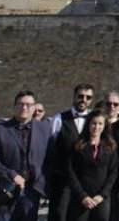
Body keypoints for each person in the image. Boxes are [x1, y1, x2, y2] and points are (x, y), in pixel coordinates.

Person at [0, 90, 54, 221]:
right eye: (20, 104)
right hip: (4, 189)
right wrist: (11, 174)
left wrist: (43, 184)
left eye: (28, 104)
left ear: (34, 108)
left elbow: (51, 159)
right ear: (14, 107)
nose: (24, 108)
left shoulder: (45, 129)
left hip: (31, 192)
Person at [51, 84, 97, 221]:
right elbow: (52, 148)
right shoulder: (59, 119)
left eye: (88, 97)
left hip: (86, 179)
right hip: (63, 178)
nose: (83, 100)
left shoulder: (95, 121)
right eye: (80, 96)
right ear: (74, 97)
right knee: (60, 214)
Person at [65, 110, 119, 221]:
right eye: (93, 123)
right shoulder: (77, 145)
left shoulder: (110, 146)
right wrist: (82, 196)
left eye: (100, 124)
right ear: (88, 124)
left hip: (101, 199)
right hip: (80, 199)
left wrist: (102, 195)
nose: (96, 127)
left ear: (105, 126)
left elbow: (113, 172)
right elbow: (71, 172)